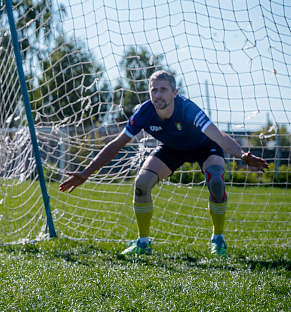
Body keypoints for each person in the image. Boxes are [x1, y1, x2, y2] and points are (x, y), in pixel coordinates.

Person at [59, 70, 268, 256]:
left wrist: (242, 155)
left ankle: (218, 239)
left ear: (174, 92)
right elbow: (116, 144)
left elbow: (219, 137)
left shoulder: (188, 109)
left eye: (163, 90)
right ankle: (143, 243)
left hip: (204, 147)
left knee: (216, 181)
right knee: (141, 184)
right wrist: (86, 173)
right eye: (154, 90)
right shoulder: (144, 112)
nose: (158, 95)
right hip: (173, 149)